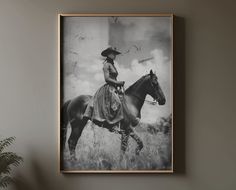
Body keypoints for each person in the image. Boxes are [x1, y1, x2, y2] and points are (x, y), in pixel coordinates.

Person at [83, 47, 126, 132]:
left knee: (123, 100)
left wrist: (118, 86)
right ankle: (112, 125)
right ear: (108, 54)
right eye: (113, 53)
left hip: (114, 87)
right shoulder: (106, 64)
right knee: (117, 103)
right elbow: (107, 78)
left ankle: (120, 124)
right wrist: (118, 83)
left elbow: (113, 77)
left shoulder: (112, 64)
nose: (114, 55)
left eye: (115, 54)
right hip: (109, 88)